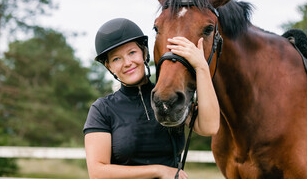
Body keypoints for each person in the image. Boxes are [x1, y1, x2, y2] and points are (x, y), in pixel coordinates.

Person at [83, 18, 220, 179]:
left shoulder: (167, 97)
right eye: (116, 59)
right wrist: (160, 171)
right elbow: (97, 172)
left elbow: (209, 127)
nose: (127, 63)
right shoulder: (102, 109)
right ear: (109, 66)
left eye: (132, 53)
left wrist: (201, 67)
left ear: (144, 53)